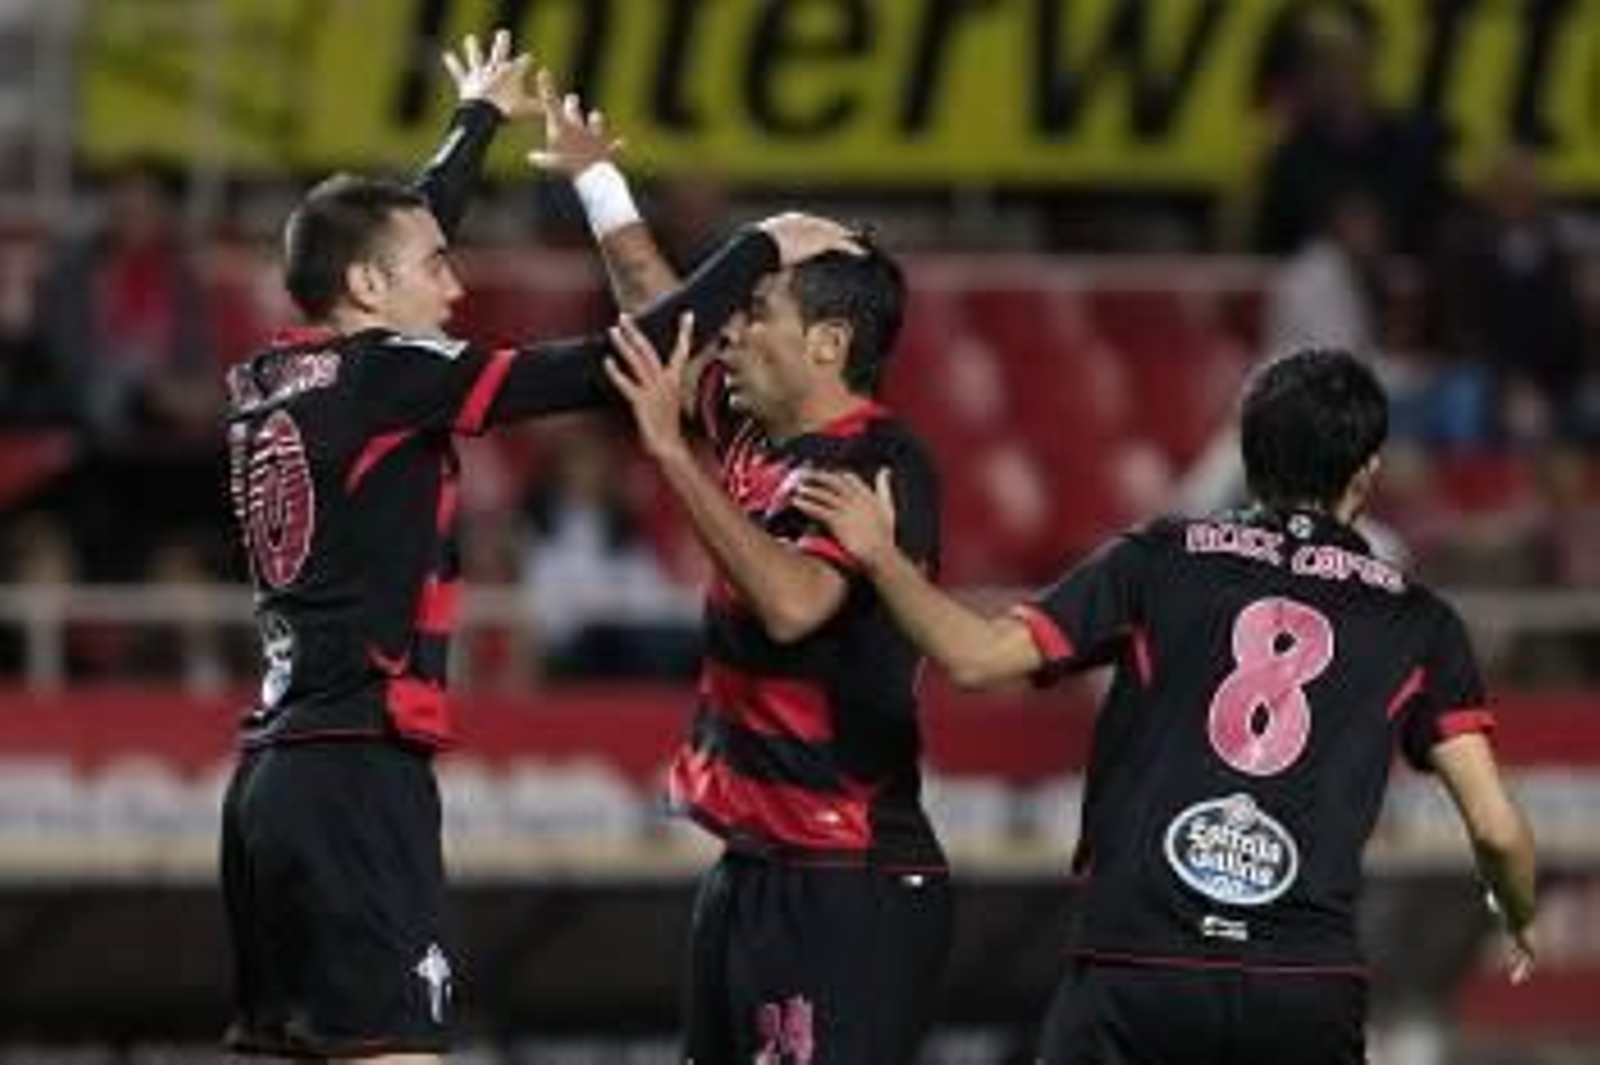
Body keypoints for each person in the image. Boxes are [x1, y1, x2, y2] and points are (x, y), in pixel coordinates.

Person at [219, 29, 855, 1061]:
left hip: (270, 777)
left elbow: (382, 246)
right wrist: (759, 246)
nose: (458, 287)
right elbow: (615, 360)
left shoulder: (269, 380)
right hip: (355, 777)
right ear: (374, 295)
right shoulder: (388, 377)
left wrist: (473, 120)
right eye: (437, 268)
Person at [794, 348, 1539, 1064]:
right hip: (1303, 986)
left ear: (1247, 460)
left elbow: (973, 658)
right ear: (1366, 474)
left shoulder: (1158, 558)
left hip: (1138, 966)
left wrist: (883, 558)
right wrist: (1516, 912)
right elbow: (1498, 830)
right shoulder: (1420, 622)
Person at [534, 78, 953, 1063]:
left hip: (847, 874)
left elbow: (795, 603)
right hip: (759, 864)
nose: (731, 330)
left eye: (755, 311)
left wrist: (671, 455)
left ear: (828, 342)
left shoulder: (881, 463)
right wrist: (599, 181)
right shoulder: (759, 433)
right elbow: (663, 308)